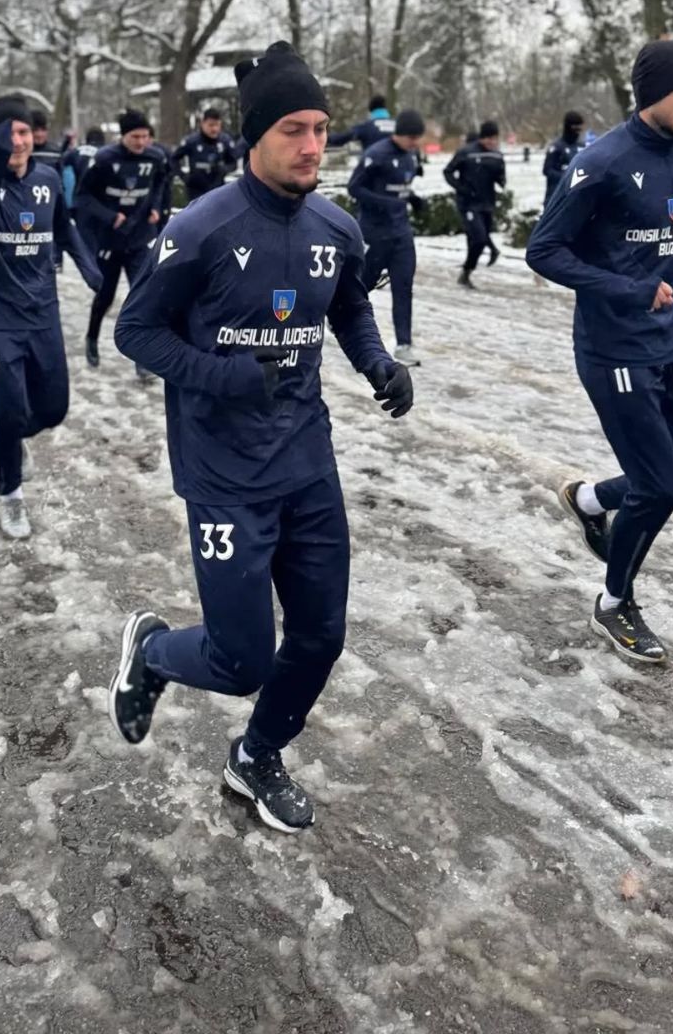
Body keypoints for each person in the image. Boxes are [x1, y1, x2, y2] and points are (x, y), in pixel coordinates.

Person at [109, 41, 414, 833]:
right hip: (223, 473)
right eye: (293, 130)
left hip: (308, 464)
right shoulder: (202, 227)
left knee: (320, 636)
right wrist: (232, 376)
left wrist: (379, 362)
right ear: (255, 136)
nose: (313, 145)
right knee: (239, 660)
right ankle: (150, 653)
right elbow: (136, 333)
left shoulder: (334, 225)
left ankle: (256, 758)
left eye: (320, 127)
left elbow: (347, 306)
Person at [525, 40, 673, 664]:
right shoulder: (601, 163)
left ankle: (589, 500)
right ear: (650, 95)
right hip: (613, 350)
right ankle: (615, 603)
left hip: (672, 345)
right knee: (658, 485)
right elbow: (544, 250)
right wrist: (629, 288)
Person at [0, 96, 101, 540]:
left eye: (24, 132)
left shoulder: (47, 179)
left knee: (53, 409)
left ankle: (11, 438)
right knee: (8, 414)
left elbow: (63, 228)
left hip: (42, 313)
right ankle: (11, 496)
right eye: (9, 133)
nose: (18, 141)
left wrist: (88, 267)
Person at [72, 110, 172, 372]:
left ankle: (142, 357)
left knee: (143, 296)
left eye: (145, 136)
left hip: (139, 238)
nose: (141, 142)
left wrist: (156, 206)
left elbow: (161, 181)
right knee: (105, 296)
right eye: (135, 137)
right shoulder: (104, 159)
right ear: (122, 136)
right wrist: (109, 216)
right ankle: (92, 337)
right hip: (109, 240)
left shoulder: (155, 156)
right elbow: (82, 198)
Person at [347, 107, 425, 367]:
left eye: (418, 138)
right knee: (362, 285)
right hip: (375, 233)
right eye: (411, 138)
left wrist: (413, 199)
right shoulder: (376, 155)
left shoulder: (411, 157)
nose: (415, 143)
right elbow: (354, 188)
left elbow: (402, 187)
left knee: (403, 288)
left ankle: (403, 344)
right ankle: (337, 313)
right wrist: (385, 203)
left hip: (401, 234)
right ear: (400, 134)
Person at [445, 121, 506, 287]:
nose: (492, 142)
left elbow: (500, 172)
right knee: (479, 238)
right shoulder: (466, 152)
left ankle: (466, 273)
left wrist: (501, 180)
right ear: (482, 137)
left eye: (495, 138)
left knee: (477, 239)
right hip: (468, 203)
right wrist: (461, 188)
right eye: (489, 138)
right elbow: (448, 171)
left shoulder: (497, 155)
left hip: (487, 202)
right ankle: (467, 270)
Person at [171, 108, 240, 201]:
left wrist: (224, 169)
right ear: (203, 124)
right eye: (211, 125)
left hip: (217, 190)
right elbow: (174, 159)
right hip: (195, 192)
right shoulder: (191, 141)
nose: (214, 129)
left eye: (217, 125)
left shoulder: (225, 141)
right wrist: (184, 177)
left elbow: (233, 163)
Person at [543, 110, 586, 205]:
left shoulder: (582, 148)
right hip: (556, 197)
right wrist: (567, 177)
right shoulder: (556, 148)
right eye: (575, 128)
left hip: (577, 199)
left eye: (580, 129)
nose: (577, 132)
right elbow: (547, 170)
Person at [328, 94, 395, 151]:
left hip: (373, 164)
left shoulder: (366, 127)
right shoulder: (397, 125)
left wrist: (325, 137)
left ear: (371, 111)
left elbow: (342, 138)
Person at [60, 127, 105, 208]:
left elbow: (61, 159)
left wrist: (66, 142)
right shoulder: (105, 152)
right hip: (99, 201)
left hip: (79, 199)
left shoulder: (76, 151)